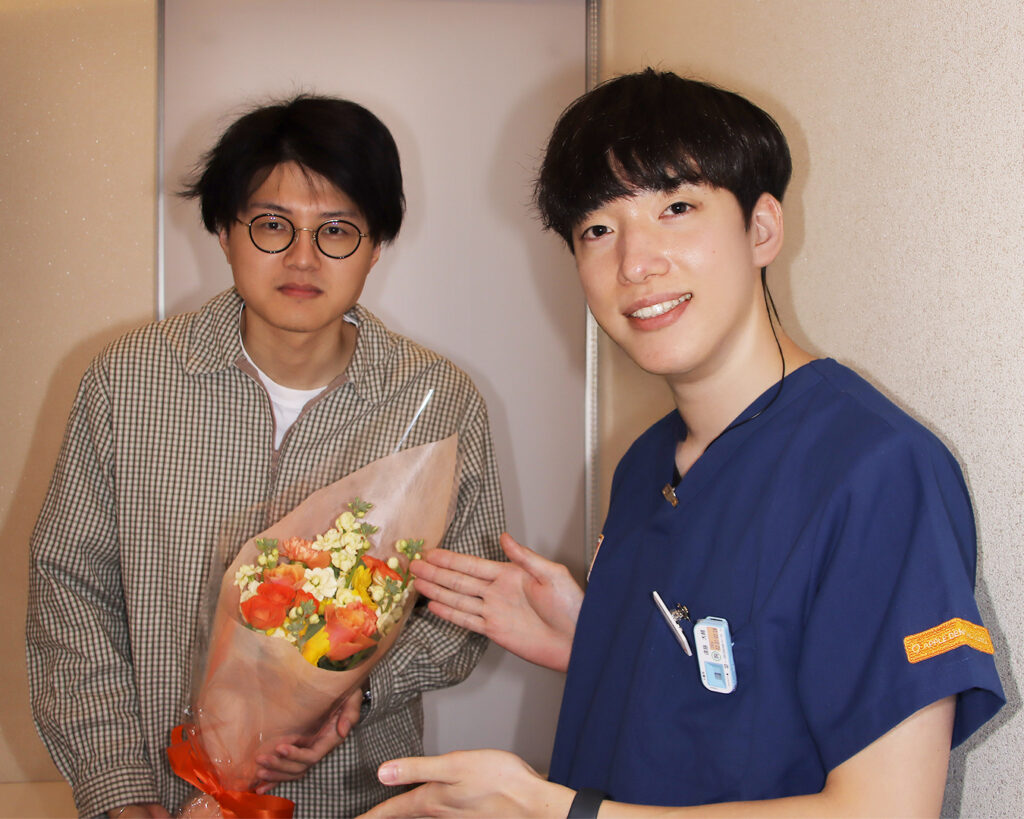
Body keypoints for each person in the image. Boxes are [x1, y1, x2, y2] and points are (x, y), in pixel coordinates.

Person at [360, 70, 1005, 818]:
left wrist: (558, 812)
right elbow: (734, 689)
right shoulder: (646, 463)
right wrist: (598, 638)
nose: (635, 263)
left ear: (762, 229)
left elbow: (886, 810)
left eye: (676, 208)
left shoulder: (875, 470)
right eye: (597, 230)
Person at [26, 95, 505, 818]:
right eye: (273, 225)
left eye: (336, 229)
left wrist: (360, 691)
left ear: (377, 244)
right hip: (161, 794)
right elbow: (70, 592)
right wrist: (116, 787)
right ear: (224, 232)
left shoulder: (438, 402)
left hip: (357, 797)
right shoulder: (127, 383)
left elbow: (466, 605)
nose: (303, 258)